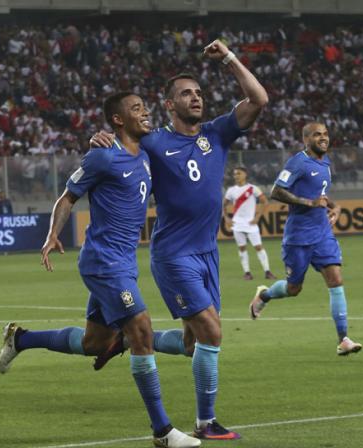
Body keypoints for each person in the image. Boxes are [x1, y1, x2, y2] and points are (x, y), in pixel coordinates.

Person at [0, 93, 200, 448]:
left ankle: (21, 338)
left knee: (93, 344)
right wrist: (51, 237)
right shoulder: (103, 155)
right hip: (103, 262)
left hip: (123, 262)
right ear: (118, 120)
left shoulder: (147, 152)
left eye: (144, 106)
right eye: (136, 108)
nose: (145, 111)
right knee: (141, 330)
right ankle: (163, 432)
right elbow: (67, 197)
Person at [91, 39, 268, 440]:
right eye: (186, 94)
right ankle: (205, 422)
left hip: (208, 253)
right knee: (212, 333)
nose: (196, 98)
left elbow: (258, 98)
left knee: (194, 344)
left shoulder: (217, 133)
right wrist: (98, 140)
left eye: (199, 93)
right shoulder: (153, 142)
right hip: (173, 254)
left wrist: (228, 59)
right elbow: (116, 150)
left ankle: (126, 339)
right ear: (169, 105)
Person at [249, 122, 363, 356]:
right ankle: (265, 295)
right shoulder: (298, 162)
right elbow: (276, 191)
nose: (323, 138)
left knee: (336, 281)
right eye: (317, 135)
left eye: (325, 134)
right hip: (298, 237)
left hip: (322, 234)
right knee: (293, 289)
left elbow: (319, 194)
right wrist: (308, 203)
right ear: (306, 139)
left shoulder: (325, 162)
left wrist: (335, 206)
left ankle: (343, 339)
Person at [222, 166, 277, 280]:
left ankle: (267, 271)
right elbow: (223, 205)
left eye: (239, 173)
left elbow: (265, 202)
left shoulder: (252, 188)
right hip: (237, 224)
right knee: (242, 248)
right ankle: (247, 273)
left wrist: (257, 216)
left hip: (251, 224)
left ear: (245, 175)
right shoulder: (231, 190)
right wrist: (226, 218)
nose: (236, 176)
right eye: (235, 174)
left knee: (259, 247)